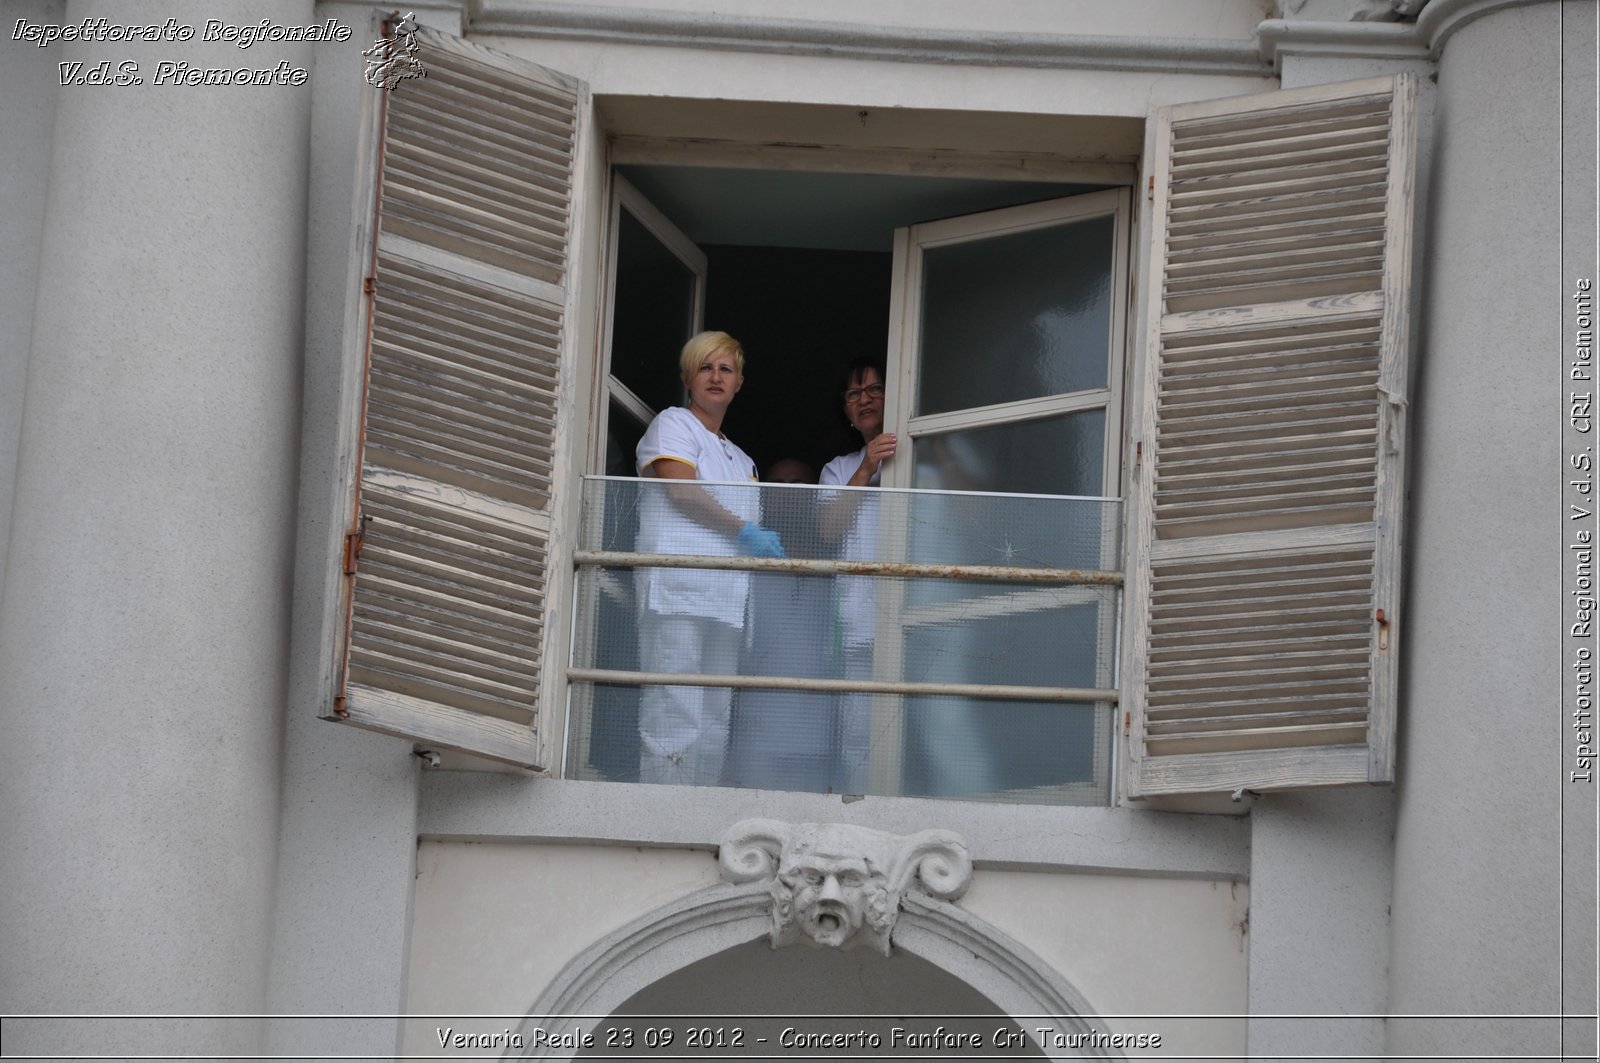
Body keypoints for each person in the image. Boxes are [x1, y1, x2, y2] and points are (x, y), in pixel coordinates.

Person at [634, 331, 782, 786]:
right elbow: (680, 489)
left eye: (726, 369)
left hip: (727, 599)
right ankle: (664, 816)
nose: (715, 377)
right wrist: (744, 530)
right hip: (678, 590)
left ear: (739, 383)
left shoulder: (743, 460)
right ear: (687, 378)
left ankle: (701, 813)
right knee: (674, 705)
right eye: (705, 367)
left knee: (716, 715)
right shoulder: (674, 423)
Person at [818, 358, 896, 793]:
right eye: (853, 394)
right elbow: (828, 531)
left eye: (874, 389)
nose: (864, 399)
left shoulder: (925, 450)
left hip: (923, 621)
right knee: (859, 738)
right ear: (846, 411)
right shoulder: (838, 468)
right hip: (862, 625)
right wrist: (866, 468)